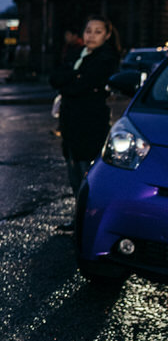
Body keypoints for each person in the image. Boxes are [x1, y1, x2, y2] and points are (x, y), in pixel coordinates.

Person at [49, 15, 121, 228]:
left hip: (90, 122)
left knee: (88, 174)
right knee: (73, 173)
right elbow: (55, 78)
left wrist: (71, 80)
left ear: (107, 35)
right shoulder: (76, 53)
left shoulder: (106, 57)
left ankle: (91, 220)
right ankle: (80, 217)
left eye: (98, 32)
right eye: (88, 31)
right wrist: (74, 79)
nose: (91, 36)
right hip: (71, 122)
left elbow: (83, 84)